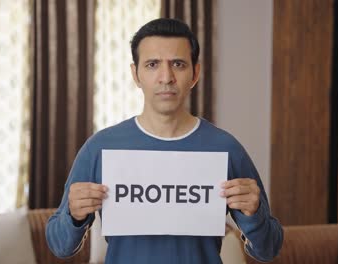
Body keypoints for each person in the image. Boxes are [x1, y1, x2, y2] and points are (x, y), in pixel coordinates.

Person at [46, 18, 283, 263]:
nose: (166, 77)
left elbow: (269, 249)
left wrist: (254, 215)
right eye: (152, 64)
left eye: (178, 64)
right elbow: (60, 246)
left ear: (195, 73)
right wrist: (73, 216)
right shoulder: (100, 148)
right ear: (135, 74)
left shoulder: (226, 148)